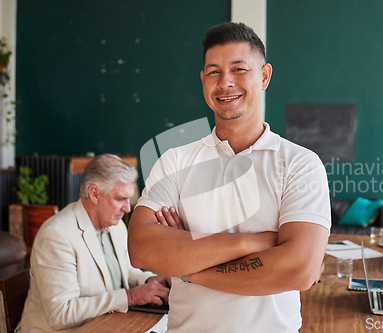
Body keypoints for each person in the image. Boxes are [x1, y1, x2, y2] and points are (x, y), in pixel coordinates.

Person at [127, 22, 331, 332]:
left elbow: (300, 270)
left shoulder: (300, 164)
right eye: (213, 72)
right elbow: (141, 248)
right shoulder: (175, 160)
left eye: (238, 69)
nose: (225, 83)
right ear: (203, 80)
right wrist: (255, 242)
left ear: (264, 76)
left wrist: (188, 270)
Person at [16, 154, 170, 332]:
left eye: (129, 199)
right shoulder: (56, 235)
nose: (128, 208)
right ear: (95, 194)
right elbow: (61, 314)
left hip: (103, 326)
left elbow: (124, 273)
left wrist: (152, 281)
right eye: (120, 199)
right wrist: (130, 297)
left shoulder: (116, 225)